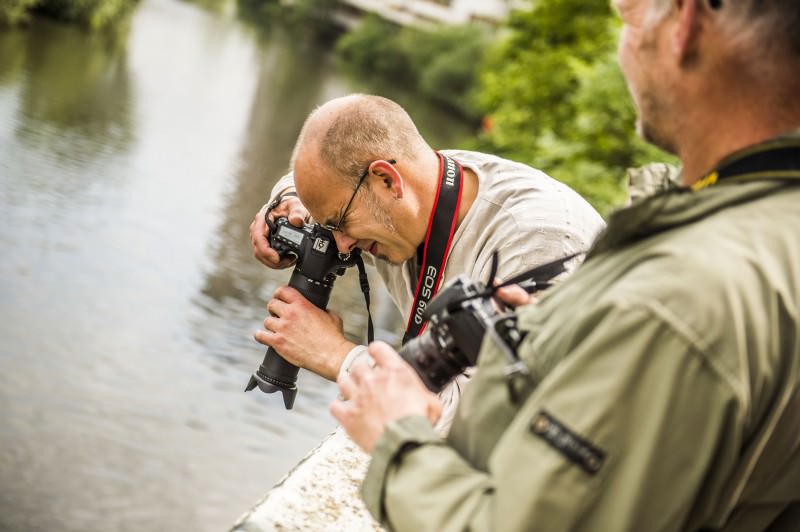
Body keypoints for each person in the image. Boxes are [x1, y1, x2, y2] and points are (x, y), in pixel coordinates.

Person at [330, 0, 800, 530]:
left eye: (629, 12)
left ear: (683, 24)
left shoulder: (678, 297)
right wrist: (571, 338)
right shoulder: (767, 231)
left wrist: (399, 434)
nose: (623, 41)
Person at [250, 93, 605, 430]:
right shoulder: (419, 183)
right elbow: (324, 176)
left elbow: (487, 424)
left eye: (340, 223)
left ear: (388, 181)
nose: (341, 245)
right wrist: (285, 200)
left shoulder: (539, 242)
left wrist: (335, 355)